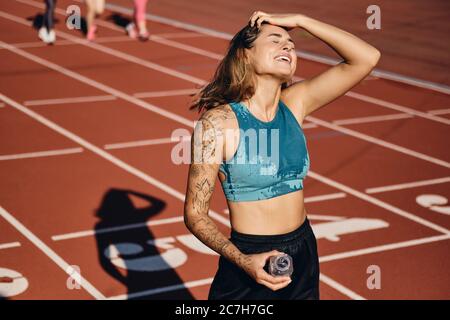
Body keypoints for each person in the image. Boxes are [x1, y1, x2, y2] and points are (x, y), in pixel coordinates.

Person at [184, 11, 380, 300]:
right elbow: (195, 214)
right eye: (275, 41)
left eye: (291, 43)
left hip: (303, 252)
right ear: (245, 55)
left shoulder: (295, 104)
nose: (288, 47)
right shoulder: (218, 123)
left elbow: (366, 58)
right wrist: (243, 261)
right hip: (249, 257)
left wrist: (302, 21)